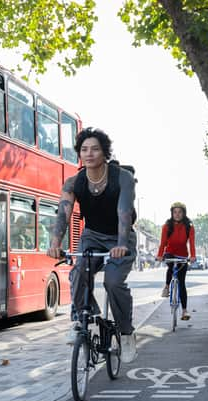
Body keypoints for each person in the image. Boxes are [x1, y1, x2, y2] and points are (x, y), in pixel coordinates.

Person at [47, 127, 138, 363]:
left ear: (104, 152)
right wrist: (55, 243)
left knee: (113, 282)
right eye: (84, 149)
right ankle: (80, 320)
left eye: (95, 149)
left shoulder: (123, 178)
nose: (89, 153)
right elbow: (62, 216)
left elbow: (124, 212)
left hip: (121, 236)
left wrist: (120, 245)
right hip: (92, 236)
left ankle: (126, 333)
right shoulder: (73, 183)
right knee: (78, 272)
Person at [156, 202, 196, 321]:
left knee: (182, 283)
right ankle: (167, 286)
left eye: (180, 212)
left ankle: (184, 311)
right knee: (171, 266)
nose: (177, 214)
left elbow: (192, 243)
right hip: (170, 252)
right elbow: (163, 243)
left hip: (183, 255)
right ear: (172, 213)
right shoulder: (166, 226)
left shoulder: (189, 226)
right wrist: (159, 255)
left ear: (184, 213)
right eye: (175, 212)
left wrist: (193, 256)